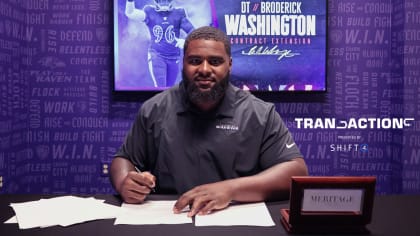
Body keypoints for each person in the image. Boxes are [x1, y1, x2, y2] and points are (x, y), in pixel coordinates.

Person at [110, 26, 308, 217]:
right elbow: (123, 159)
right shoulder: (154, 109)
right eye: (195, 61)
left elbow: (295, 170)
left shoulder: (259, 113)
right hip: (171, 218)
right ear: (182, 62)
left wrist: (230, 190)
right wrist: (124, 182)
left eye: (215, 61)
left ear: (229, 64)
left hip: (236, 218)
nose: (204, 69)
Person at [125, 0, 195, 87]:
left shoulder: (178, 13)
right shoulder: (150, 11)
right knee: (160, 88)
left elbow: (193, 32)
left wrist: (186, 41)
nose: (164, 3)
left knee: (169, 89)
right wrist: (130, 1)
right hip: (157, 55)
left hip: (174, 57)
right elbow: (130, 13)